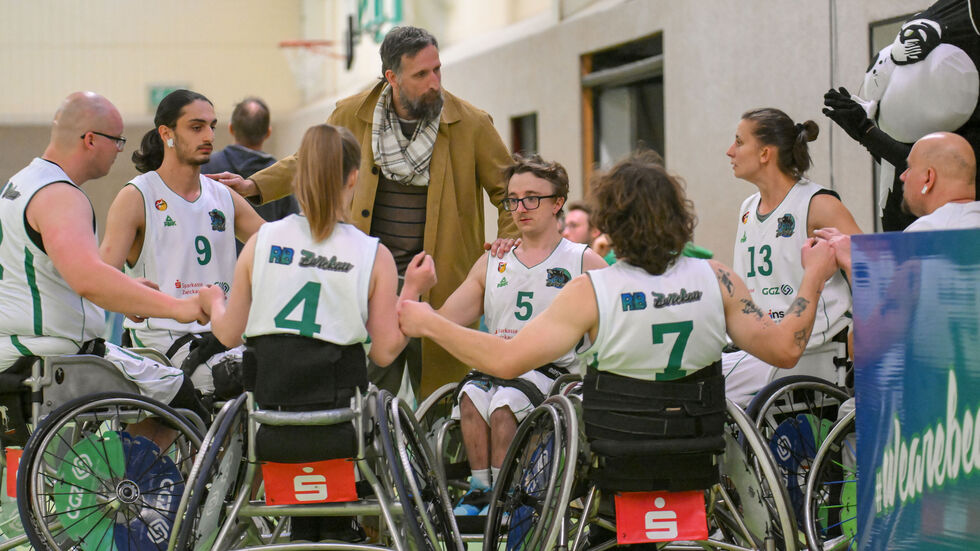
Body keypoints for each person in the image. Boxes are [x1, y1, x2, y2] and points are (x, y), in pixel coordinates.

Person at [398, 153, 839, 542]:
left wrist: (428, 322)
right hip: (695, 447)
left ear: (608, 221)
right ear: (679, 215)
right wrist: (814, 276)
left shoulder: (592, 290)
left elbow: (504, 359)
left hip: (618, 452)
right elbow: (785, 349)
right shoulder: (717, 278)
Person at [208, 26, 518, 399]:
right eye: (421, 74)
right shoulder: (353, 113)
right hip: (370, 284)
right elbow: (309, 159)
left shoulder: (472, 124)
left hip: (442, 287)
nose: (434, 82)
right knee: (365, 400)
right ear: (392, 77)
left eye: (437, 69)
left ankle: (441, 459)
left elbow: (509, 191)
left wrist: (508, 241)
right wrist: (255, 186)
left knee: (446, 400)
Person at [199, 123, 436, 542]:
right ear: (352, 178)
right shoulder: (372, 253)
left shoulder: (262, 241)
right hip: (340, 424)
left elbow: (230, 333)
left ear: (299, 177)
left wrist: (212, 300)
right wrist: (414, 290)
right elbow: (384, 353)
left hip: (269, 418)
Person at [0, 91, 207, 418]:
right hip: (49, 357)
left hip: (18, 349)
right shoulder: (60, 195)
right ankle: (151, 471)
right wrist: (180, 308)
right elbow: (89, 279)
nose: (119, 151)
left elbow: (58, 272)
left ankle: (139, 466)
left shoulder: (22, 182)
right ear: (91, 140)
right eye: (117, 141)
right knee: (180, 392)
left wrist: (128, 293)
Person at [434, 154, 606, 515]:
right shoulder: (493, 260)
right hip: (496, 368)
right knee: (469, 396)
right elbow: (445, 320)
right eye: (512, 199)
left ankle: (508, 499)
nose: (520, 207)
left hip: (552, 375)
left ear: (558, 202)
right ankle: (480, 491)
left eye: (532, 197)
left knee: (503, 404)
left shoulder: (582, 260)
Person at [99, 89, 265, 396]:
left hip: (222, 337)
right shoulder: (137, 196)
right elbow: (101, 276)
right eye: (196, 126)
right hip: (161, 342)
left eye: (212, 126)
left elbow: (274, 247)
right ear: (167, 134)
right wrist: (128, 295)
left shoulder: (222, 194)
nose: (209, 136)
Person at [722, 108, 861, 407]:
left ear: (764, 154)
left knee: (710, 393)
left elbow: (869, 267)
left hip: (809, 349)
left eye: (738, 142)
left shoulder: (818, 203)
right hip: (757, 344)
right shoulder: (748, 207)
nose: (729, 151)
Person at [816, 131, 980, 279]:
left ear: (928, 178)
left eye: (909, 167)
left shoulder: (926, 233)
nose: (902, 176)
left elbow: (888, 311)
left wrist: (852, 261)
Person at [200, 96, 298, 249]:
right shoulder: (281, 179)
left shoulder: (205, 168)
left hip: (216, 267)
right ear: (268, 133)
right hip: (263, 265)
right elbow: (291, 231)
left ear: (231, 128)